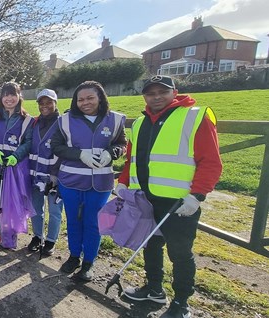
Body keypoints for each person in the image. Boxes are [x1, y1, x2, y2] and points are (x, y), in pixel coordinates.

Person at [118, 75, 221, 318]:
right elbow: (131, 159)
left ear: (174, 92)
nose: (156, 97)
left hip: (179, 201)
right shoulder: (140, 123)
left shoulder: (195, 117)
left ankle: (181, 302)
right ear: (144, 96)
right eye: (150, 93)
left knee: (180, 253)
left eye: (162, 92)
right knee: (150, 245)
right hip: (146, 198)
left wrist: (197, 195)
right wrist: (123, 183)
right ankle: (154, 289)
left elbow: (211, 161)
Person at [51, 80, 126, 281]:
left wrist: (112, 153)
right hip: (71, 181)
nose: (85, 102)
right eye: (80, 99)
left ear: (100, 97)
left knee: (94, 223)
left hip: (100, 184)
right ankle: (74, 256)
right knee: (74, 221)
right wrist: (79, 154)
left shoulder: (116, 120)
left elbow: (121, 143)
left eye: (90, 98)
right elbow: (56, 146)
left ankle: (88, 263)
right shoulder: (65, 120)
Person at [0, 82, 33, 246]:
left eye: (13, 94)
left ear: (19, 97)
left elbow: (28, 142)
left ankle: (9, 233)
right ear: (1, 97)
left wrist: (16, 156)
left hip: (14, 168)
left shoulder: (27, 120)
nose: (9, 98)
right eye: (5, 95)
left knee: (12, 202)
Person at [27, 88, 65, 256]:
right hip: (35, 174)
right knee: (36, 208)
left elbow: (65, 150)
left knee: (55, 210)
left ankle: (51, 240)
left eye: (49, 102)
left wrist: (55, 175)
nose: (45, 106)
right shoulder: (34, 123)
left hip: (54, 175)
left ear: (55, 103)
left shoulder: (63, 123)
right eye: (41, 103)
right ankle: (37, 236)